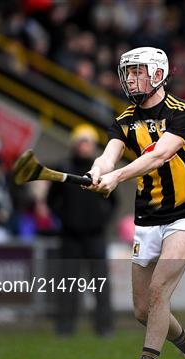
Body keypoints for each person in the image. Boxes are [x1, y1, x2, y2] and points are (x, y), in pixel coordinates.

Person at [85, 47, 185, 359]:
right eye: (127, 72)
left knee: (159, 292)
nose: (130, 78)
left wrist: (117, 178)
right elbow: (108, 154)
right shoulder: (125, 118)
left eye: (138, 71)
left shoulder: (184, 113)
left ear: (158, 75)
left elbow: (159, 155)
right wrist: (99, 172)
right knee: (143, 309)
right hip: (148, 217)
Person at [47, 123, 116, 337]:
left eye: (89, 142)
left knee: (100, 285)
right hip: (70, 237)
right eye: (82, 141)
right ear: (75, 144)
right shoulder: (64, 168)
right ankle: (65, 327)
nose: (85, 146)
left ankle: (104, 327)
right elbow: (52, 200)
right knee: (68, 285)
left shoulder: (102, 171)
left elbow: (113, 200)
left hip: (95, 236)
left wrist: (100, 219)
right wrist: (66, 219)